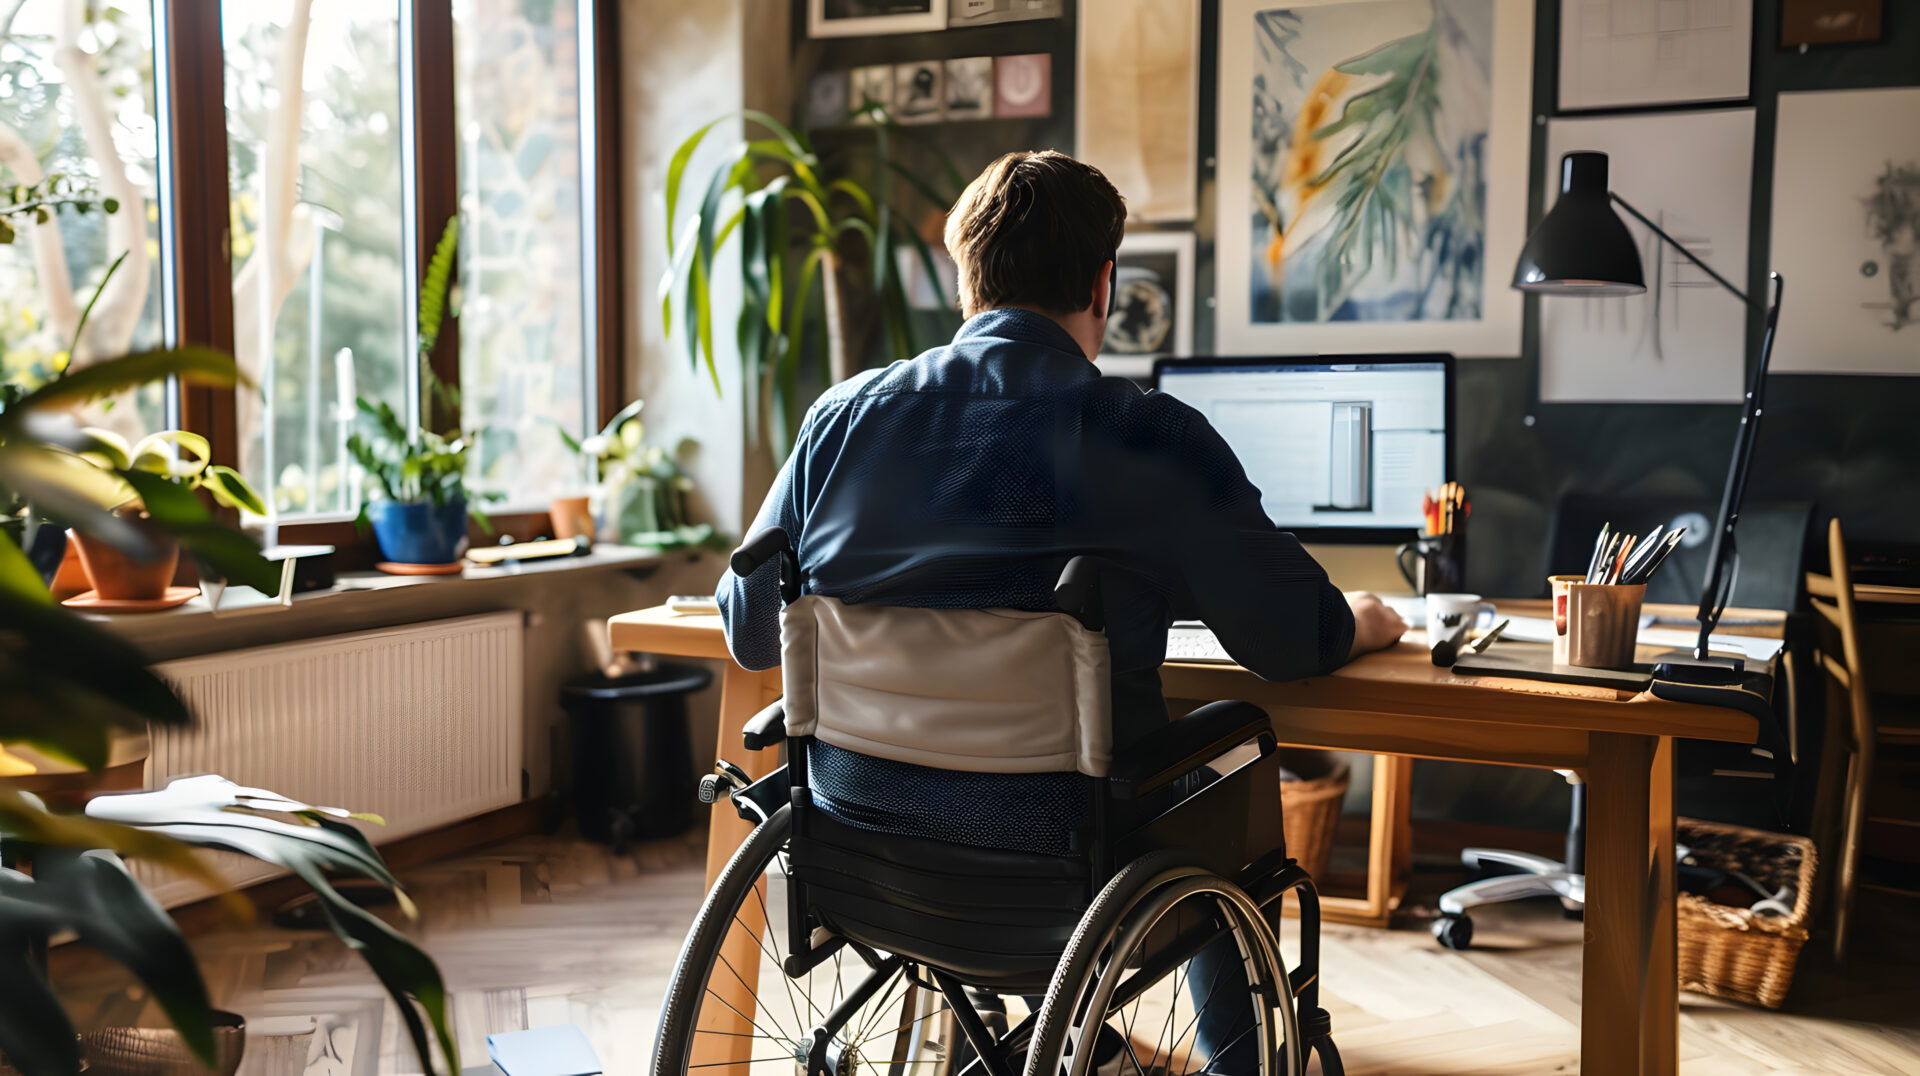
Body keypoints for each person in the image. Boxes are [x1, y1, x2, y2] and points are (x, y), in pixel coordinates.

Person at [716, 149, 1406, 1071]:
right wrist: (1367, 618)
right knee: (1224, 761)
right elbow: (1291, 641)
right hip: (1068, 867)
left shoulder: (840, 420)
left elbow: (752, 626)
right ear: (1102, 282)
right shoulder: (1146, 434)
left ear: (969, 283)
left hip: (860, 850)